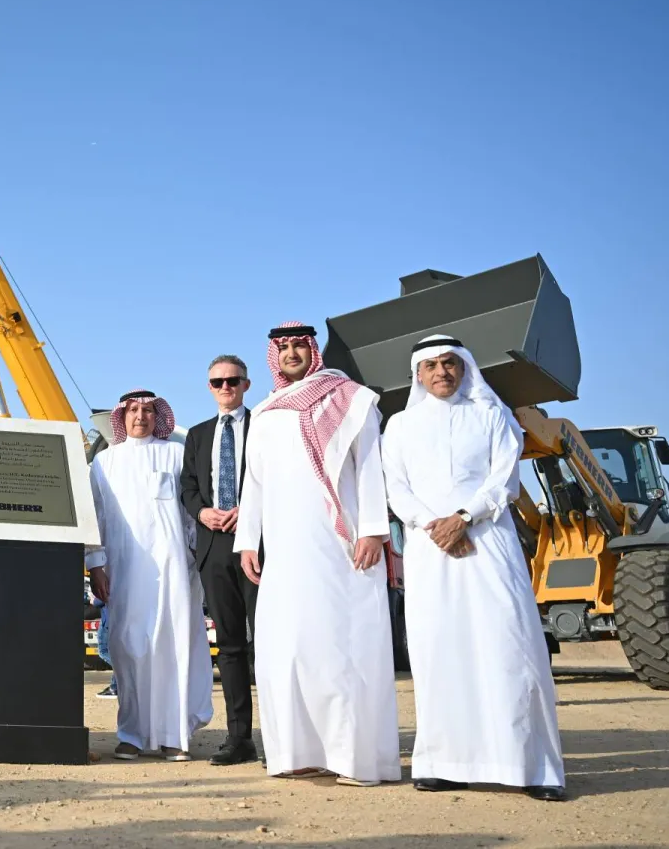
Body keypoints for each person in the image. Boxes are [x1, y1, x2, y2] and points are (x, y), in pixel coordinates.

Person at [381, 335, 566, 801]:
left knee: (510, 646)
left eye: (450, 363)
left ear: (464, 369)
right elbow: (396, 489)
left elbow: (504, 478)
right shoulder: (400, 426)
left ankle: (533, 767)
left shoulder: (492, 416)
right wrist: (435, 526)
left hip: (488, 542)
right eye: (431, 366)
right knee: (439, 651)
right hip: (429, 549)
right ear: (417, 375)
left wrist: (463, 519)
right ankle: (444, 763)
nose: (441, 372)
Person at [235, 323, 400, 787]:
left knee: (341, 645)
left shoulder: (350, 398)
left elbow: (370, 466)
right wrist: (248, 539)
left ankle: (356, 758)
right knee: (287, 647)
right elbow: (255, 481)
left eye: (297, 346)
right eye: (282, 348)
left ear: (313, 350)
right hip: (285, 549)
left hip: (340, 543)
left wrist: (372, 530)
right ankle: (299, 752)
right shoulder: (265, 410)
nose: (290, 353)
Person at [87, 390, 213, 762]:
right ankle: (132, 735)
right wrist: (96, 566)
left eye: (147, 410)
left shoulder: (175, 455)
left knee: (174, 648)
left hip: (175, 568)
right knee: (129, 649)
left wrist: (196, 560)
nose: (140, 416)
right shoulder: (103, 463)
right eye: (133, 410)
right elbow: (94, 520)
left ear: (157, 416)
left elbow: (191, 515)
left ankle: (175, 737)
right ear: (121, 418)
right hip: (123, 569)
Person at [179, 354, 259, 766]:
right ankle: (239, 738)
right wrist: (201, 512)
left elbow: (277, 477)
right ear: (209, 387)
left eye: (233, 381)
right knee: (229, 645)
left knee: (268, 641)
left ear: (247, 384)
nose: (226, 388)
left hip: (258, 545)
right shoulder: (197, 434)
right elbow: (188, 486)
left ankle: (284, 736)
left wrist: (249, 507)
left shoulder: (265, 425)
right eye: (217, 382)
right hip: (213, 547)